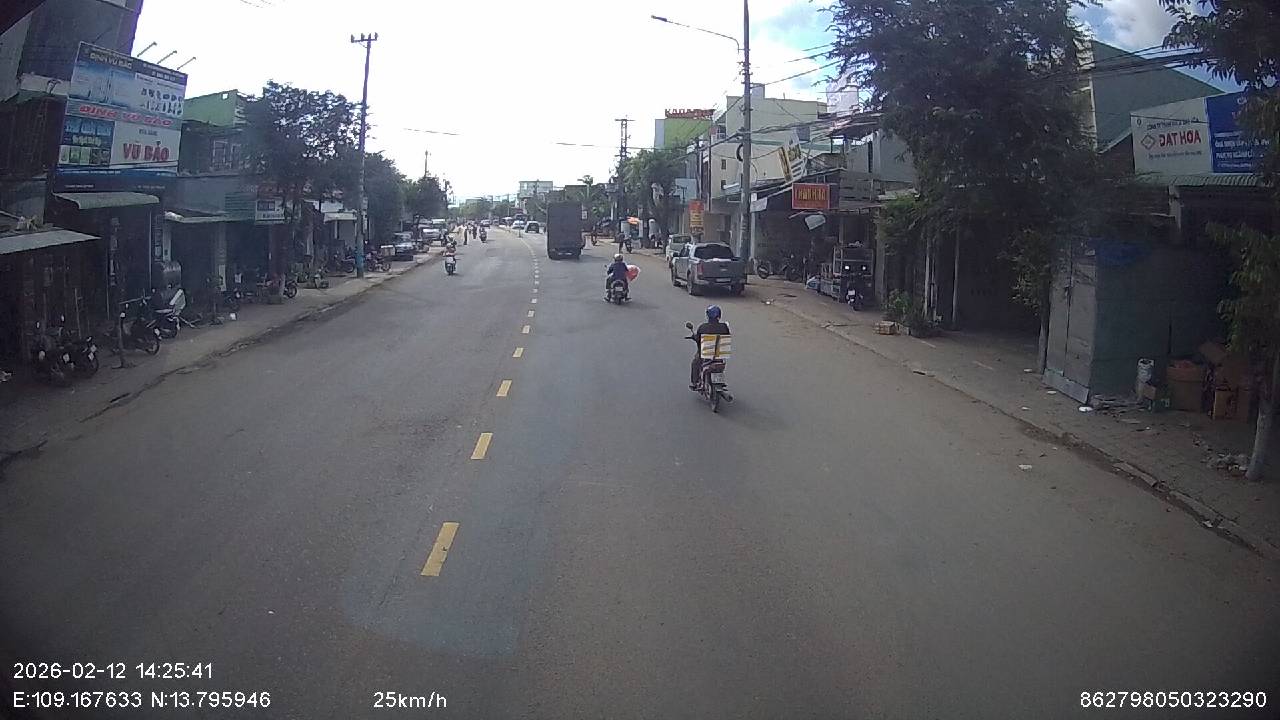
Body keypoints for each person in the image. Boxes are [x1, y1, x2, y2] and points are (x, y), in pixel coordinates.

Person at [691, 304, 731, 390]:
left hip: (706, 354)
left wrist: (694, 337)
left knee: (695, 362)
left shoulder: (703, 327)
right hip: (719, 354)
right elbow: (727, 335)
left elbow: (698, 339)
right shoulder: (724, 326)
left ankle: (695, 382)